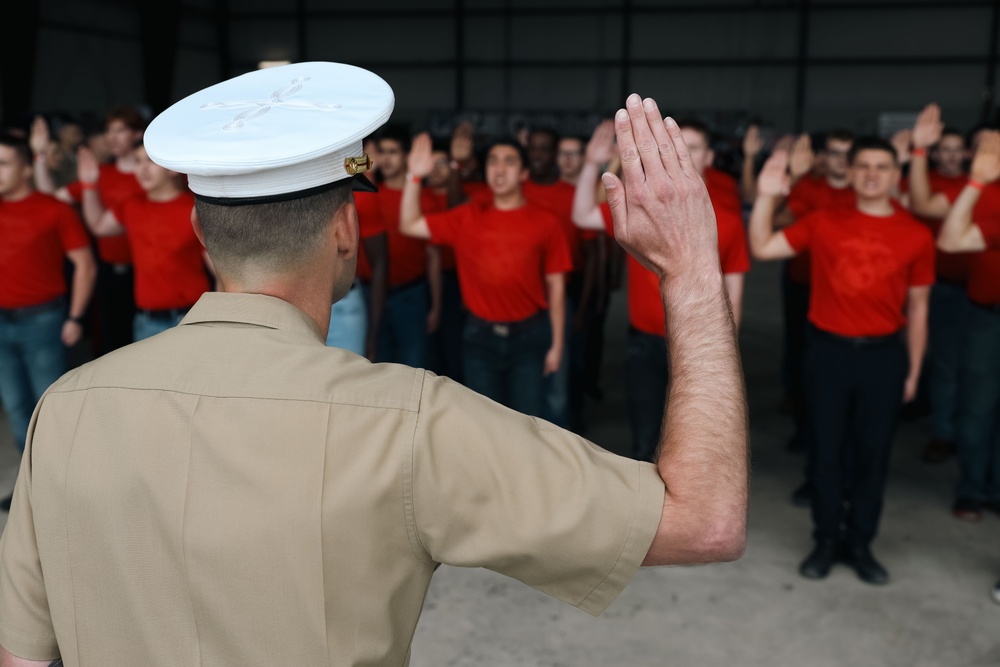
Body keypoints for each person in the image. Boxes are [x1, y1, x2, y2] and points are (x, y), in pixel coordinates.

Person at [0, 67, 747, 666]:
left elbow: (22, 653)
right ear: (347, 227)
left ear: (200, 227)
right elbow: (705, 519)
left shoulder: (65, 409)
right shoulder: (410, 423)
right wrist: (689, 272)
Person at [749, 137, 934, 585]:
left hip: (883, 358)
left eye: (882, 166)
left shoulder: (916, 234)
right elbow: (764, 248)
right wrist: (768, 194)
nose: (872, 174)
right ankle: (826, 540)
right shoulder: (823, 221)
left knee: (873, 456)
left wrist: (912, 370)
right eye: (863, 166)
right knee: (825, 453)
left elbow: (920, 307)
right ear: (849, 174)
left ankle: (860, 544)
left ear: (896, 176)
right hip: (828, 353)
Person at [573, 119, 751, 462]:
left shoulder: (726, 218)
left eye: (693, 146)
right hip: (645, 343)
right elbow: (582, 215)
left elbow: (734, 290)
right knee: (645, 442)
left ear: (709, 157)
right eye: (674, 142)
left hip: (700, 343)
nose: (681, 151)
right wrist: (592, 164)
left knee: (694, 448)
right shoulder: (640, 207)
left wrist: (728, 352)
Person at [399, 134, 570, 418]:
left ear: (524, 173)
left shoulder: (546, 222)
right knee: (484, 422)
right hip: (479, 338)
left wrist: (557, 345)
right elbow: (410, 224)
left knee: (528, 422)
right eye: (492, 161)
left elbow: (556, 286)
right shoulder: (467, 216)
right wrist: (413, 178)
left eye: (509, 162)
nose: (499, 169)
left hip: (529, 337)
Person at [0, 132, 96, 510]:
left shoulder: (54, 210)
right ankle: (33, 490)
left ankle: (64, 491)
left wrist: (75, 317)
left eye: (4, 163)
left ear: (26, 168)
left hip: (44, 322)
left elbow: (85, 265)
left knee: (49, 410)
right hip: (1, 324)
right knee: (17, 408)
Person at [32, 107, 146, 355]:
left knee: (146, 346)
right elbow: (50, 200)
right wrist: (40, 156)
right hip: (107, 272)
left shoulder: (152, 176)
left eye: (119, 130)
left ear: (137, 134)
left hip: (148, 272)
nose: (111, 137)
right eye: (108, 131)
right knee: (109, 346)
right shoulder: (99, 174)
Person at [76, 140, 213, 341]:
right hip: (146, 320)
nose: (143, 168)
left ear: (172, 169)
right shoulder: (132, 205)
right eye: (138, 161)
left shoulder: (194, 209)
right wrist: (88, 185)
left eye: (151, 161)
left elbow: (219, 270)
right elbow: (98, 226)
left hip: (192, 318)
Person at [936, 130, 1000, 523]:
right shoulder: (988, 198)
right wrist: (977, 181)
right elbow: (951, 238)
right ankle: (972, 490)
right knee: (978, 407)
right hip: (987, 317)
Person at [906, 104, 975, 465]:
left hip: (974, 289)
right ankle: (943, 431)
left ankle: (957, 428)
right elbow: (916, 202)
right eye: (943, 149)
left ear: (966, 153)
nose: (950, 156)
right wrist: (917, 152)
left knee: (964, 365)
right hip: (936, 286)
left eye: (955, 149)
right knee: (942, 361)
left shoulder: (975, 185)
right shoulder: (926, 181)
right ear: (936, 153)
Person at [372, 127, 440, 368]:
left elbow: (434, 257)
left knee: (413, 367)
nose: (387, 158)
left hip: (411, 294)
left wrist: (436, 305)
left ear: (407, 156)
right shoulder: (367, 193)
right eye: (382, 152)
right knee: (374, 366)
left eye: (394, 152)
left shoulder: (424, 198)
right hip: (369, 294)